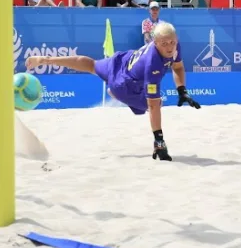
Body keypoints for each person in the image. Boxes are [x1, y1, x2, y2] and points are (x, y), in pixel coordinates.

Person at [25, 22, 200, 161]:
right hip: (125, 84)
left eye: (172, 42)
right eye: (164, 44)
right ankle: (116, 92)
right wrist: (159, 141)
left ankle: (45, 60)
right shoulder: (152, 65)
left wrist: (182, 90)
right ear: (155, 43)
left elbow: (178, 67)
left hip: (123, 61)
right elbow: (153, 107)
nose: (170, 47)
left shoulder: (174, 46)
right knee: (156, 102)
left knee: (92, 65)